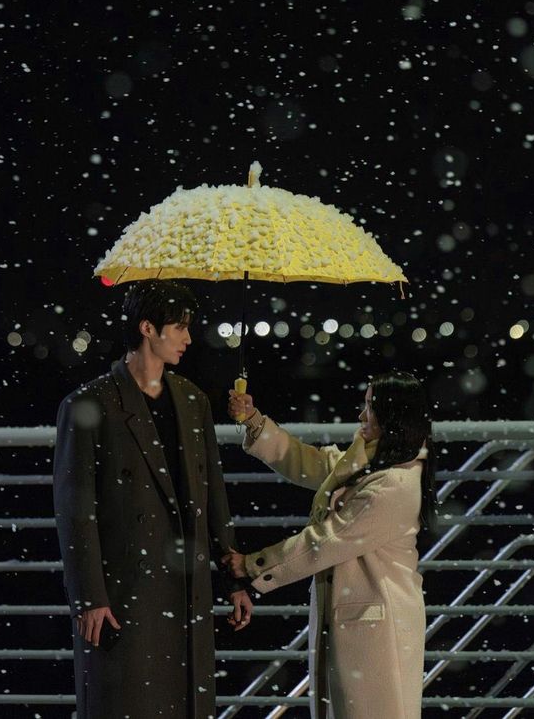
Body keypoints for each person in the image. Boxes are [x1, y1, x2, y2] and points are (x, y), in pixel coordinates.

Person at [53, 279, 253, 719]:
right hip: (126, 588)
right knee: (126, 702)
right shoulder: (90, 404)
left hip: (187, 584)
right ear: (148, 328)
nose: (187, 338)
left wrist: (234, 577)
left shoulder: (193, 400)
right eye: (179, 327)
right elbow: (75, 509)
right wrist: (89, 596)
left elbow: (211, 494)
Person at [224, 371, 435, 719]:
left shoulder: (394, 484)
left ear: (393, 417)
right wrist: (254, 421)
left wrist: (252, 565)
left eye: (370, 408)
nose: (361, 416)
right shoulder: (373, 462)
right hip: (365, 619)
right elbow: (311, 462)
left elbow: (324, 542)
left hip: (378, 628)